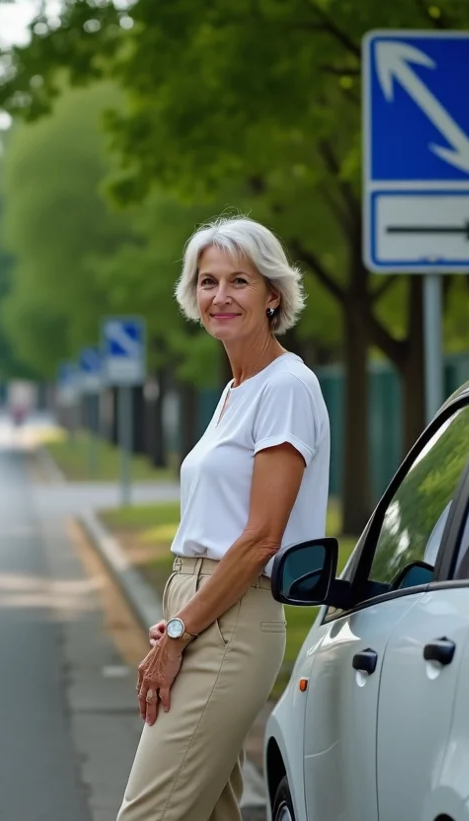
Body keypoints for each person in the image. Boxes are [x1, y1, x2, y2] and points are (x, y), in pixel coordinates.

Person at [118, 216, 331, 821]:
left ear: (272, 294)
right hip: (199, 602)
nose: (220, 296)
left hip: (231, 616)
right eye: (207, 282)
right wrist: (177, 620)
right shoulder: (238, 388)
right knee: (211, 810)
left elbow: (263, 536)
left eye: (239, 280)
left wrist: (180, 632)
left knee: (149, 813)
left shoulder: (286, 386)